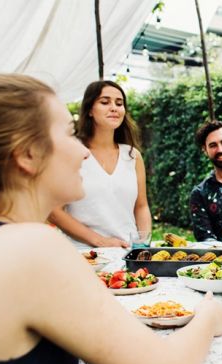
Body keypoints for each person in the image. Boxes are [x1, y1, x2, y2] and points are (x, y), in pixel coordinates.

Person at [0, 73, 222, 364]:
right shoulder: (31, 248)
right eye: (67, 133)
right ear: (28, 154)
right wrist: (208, 315)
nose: (83, 151)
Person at [48, 80, 151, 248]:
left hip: (127, 253)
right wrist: (100, 241)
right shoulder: (72, 151)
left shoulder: (133, 155)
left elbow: (141, 206)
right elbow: (54, 211)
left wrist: (143, 243)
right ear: (89, 110)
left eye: (119, 103)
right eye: (105, 102)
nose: (114, 108)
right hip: (85, 255)